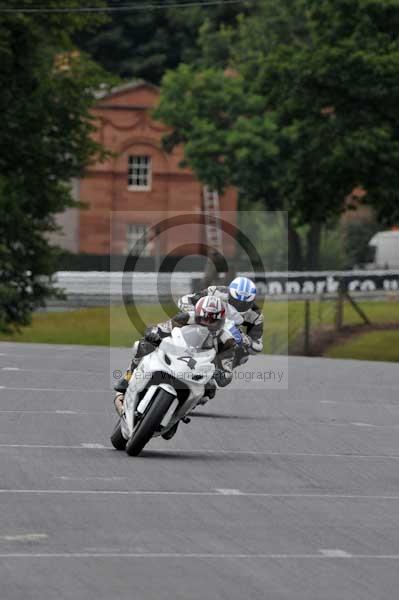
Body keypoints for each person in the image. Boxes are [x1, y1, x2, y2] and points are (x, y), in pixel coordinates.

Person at [113, 295, 237, 414]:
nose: (208, 323)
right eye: (205, 318)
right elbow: (161, 328)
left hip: (200, 369)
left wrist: (219, 374)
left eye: (213, 320)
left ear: (221, 321)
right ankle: (127, 377)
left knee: (210, 390)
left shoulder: (227, 341)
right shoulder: (185, 318)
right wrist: (153, 333)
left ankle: (181, 413)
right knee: (143, 345)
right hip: (176, 354)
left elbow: (227, 373)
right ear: (198, 315)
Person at [178, 276, 263, 367]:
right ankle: (172, 343)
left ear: (252, 301)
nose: (239, 305)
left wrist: (247, 340)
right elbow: (185, 300)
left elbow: (258, 345)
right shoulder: (216, 291)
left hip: (231, 333)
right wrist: (194, 311)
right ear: (229, 294)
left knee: (244, 355)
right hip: (207, 321)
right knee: (184, 318)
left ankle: (223, 370)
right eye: (236, 301)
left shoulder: (256, 315)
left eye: (244, 304)